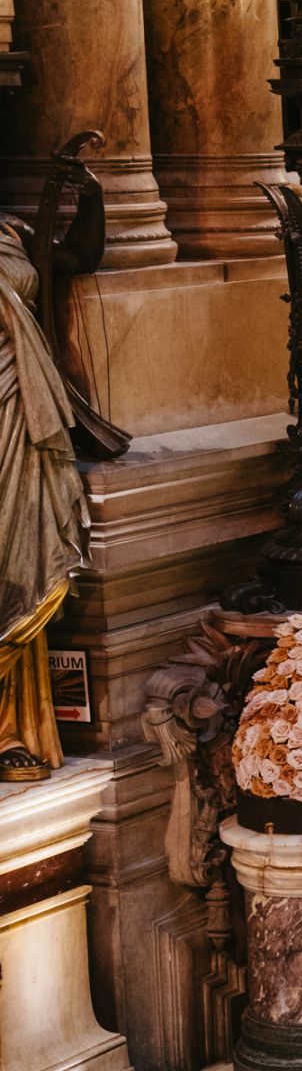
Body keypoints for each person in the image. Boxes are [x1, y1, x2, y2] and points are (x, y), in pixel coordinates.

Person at [0, 209, 88, 779]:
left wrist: (93, 192)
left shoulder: (8, 229)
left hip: (15, 401)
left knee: (19, 562)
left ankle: (12, 730)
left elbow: (77, 258)